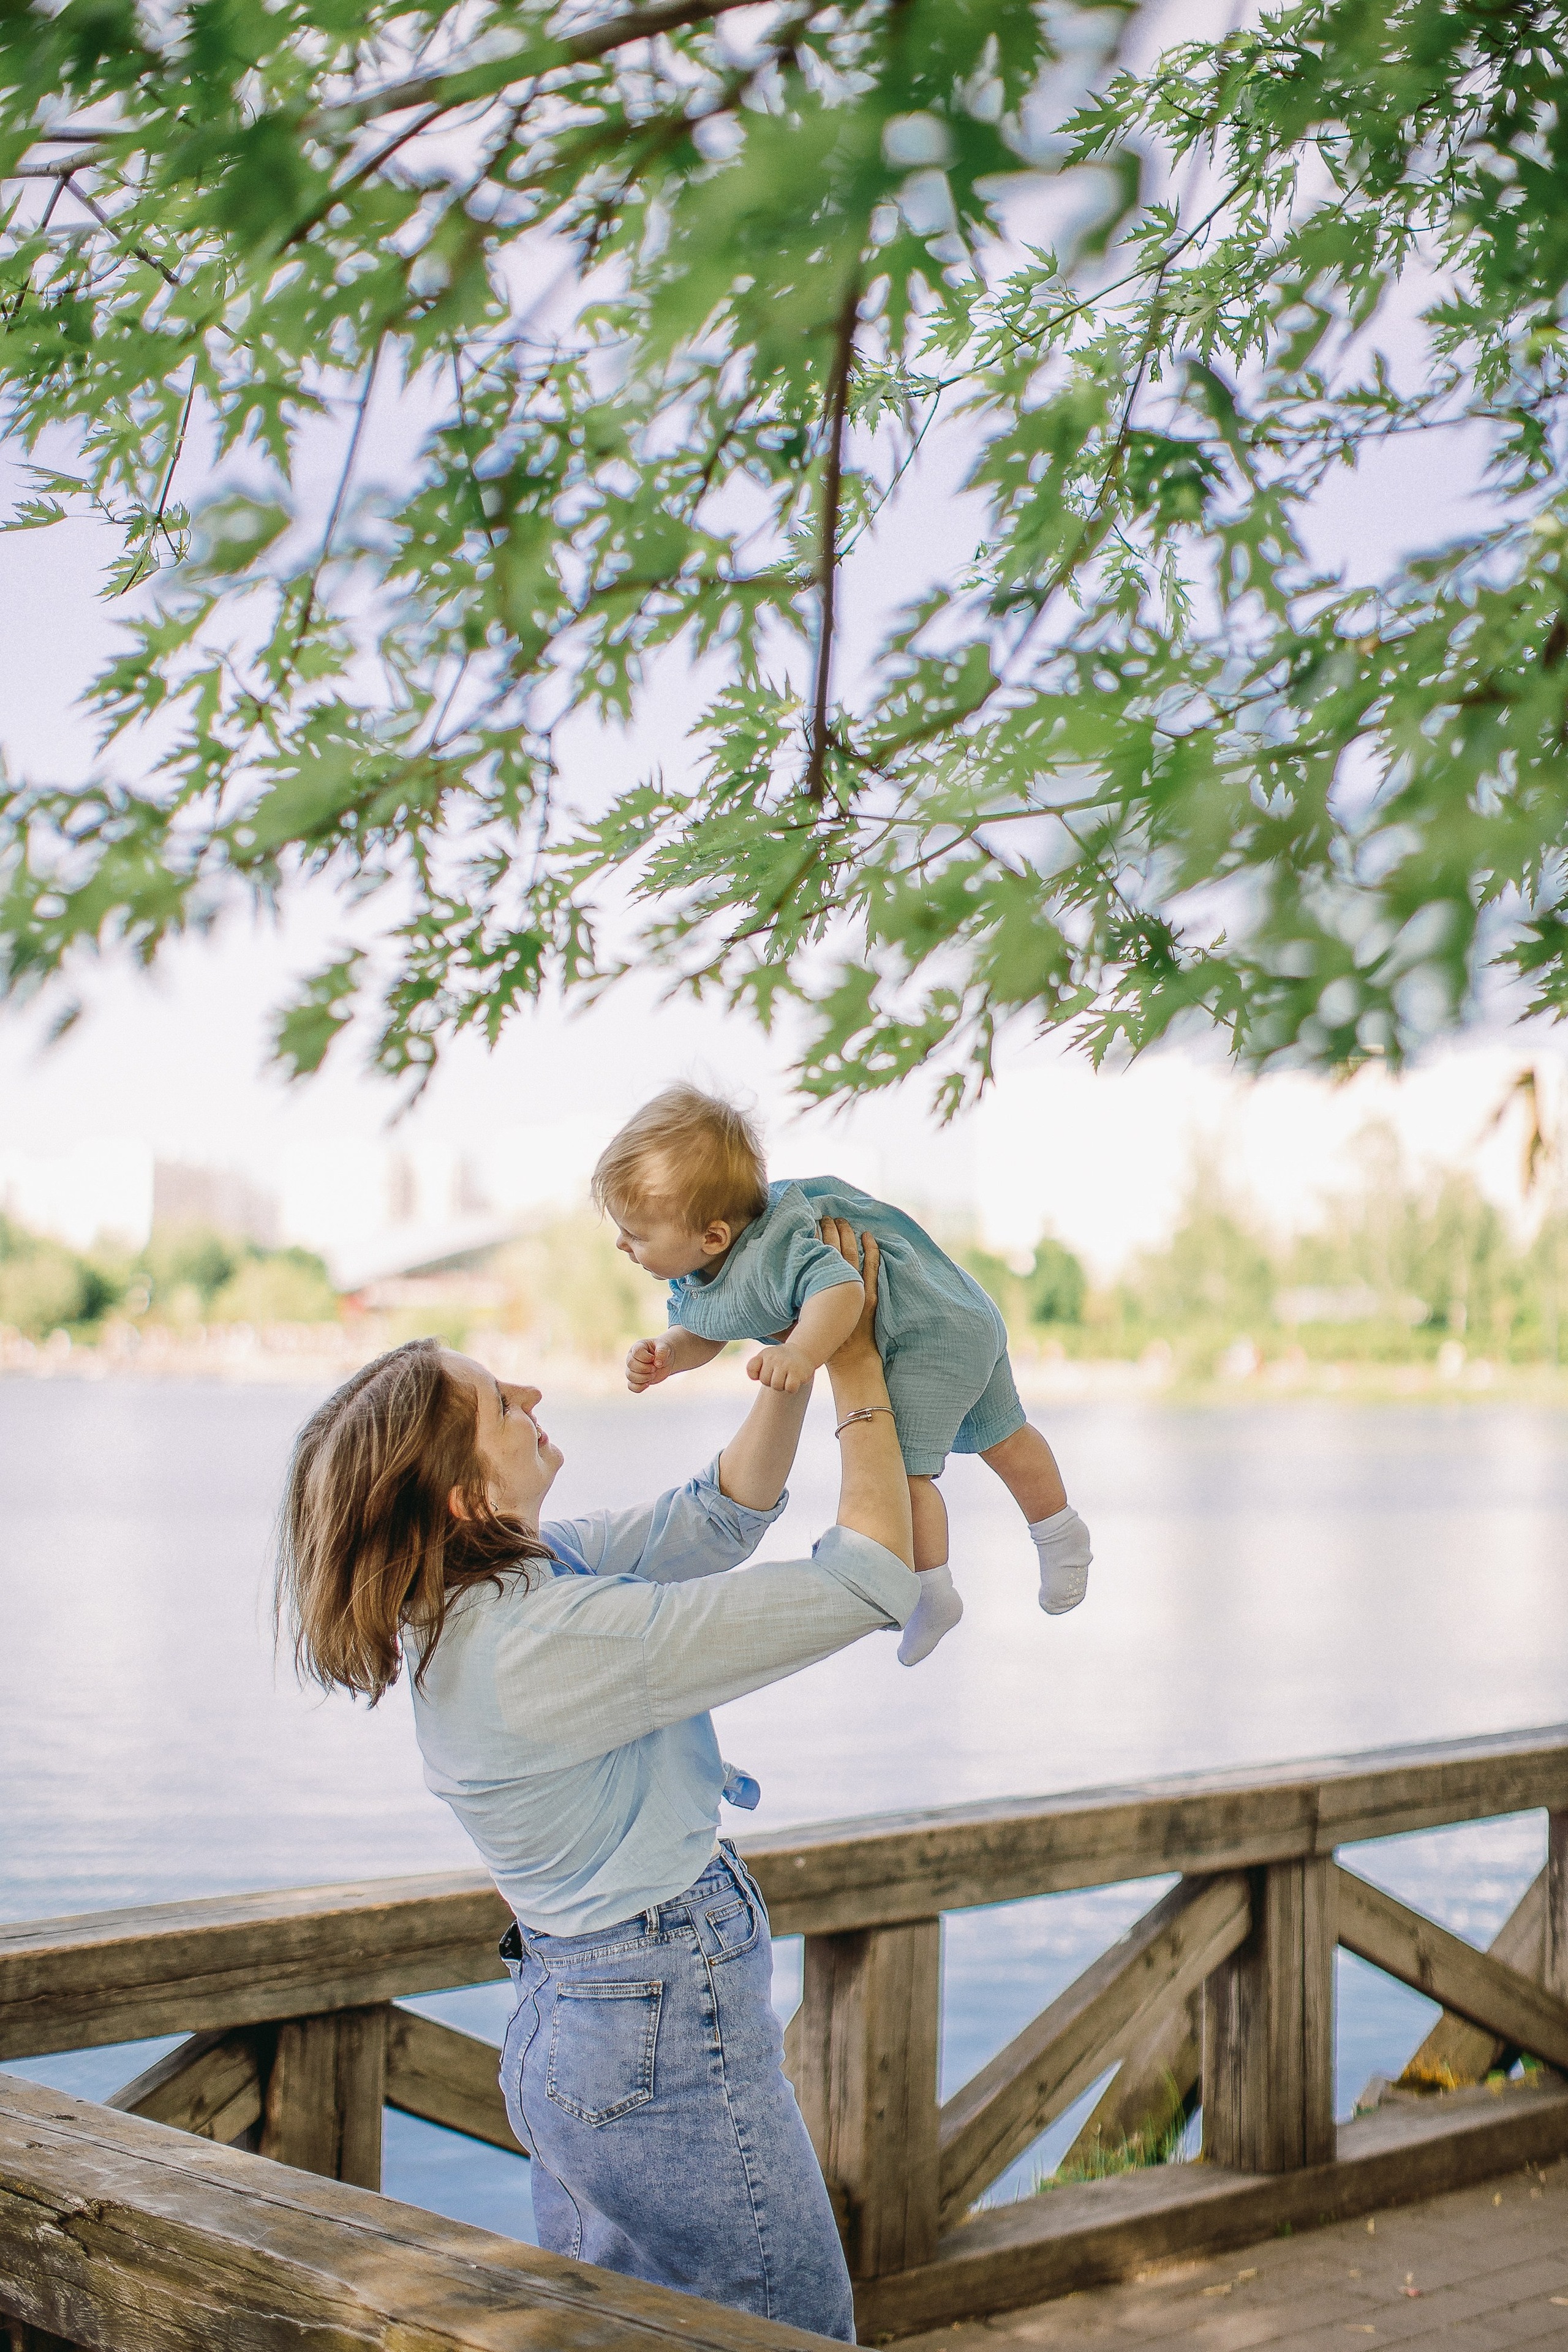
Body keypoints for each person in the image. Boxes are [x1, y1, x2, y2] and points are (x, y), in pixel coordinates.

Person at [276, 1219, 919, 2340]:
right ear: (465, 1500)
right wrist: (855, 1367)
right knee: (790, 2329)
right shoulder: (551, 1643)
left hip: (580, 2022)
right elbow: (868, 1582)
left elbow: (718, 1515)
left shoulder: (490, 1596)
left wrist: (787, 1364)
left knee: (616, 2332)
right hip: (659, 2028)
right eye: (495, 1404)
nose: (528, 1388)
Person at [592, 1083, 1093, 1667]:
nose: (623, 1245)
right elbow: (708, 1330)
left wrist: (802, 1353)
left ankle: (933, 1593)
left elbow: (842, 1286)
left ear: (713, 1236)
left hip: (922, 1332)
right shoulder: (698, 1272)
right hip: (959, 1311)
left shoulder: (777, 1249)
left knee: (903, 1473)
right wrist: (668, 1354)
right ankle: (1062, 1534)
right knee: (1006, 1436)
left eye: (636, 1233)